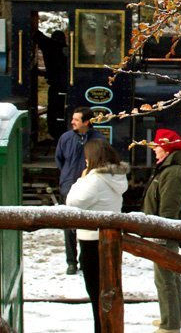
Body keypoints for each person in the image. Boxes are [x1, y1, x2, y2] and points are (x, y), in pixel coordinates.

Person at [66, 139, 129, 333]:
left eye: (86, 158)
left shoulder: (94, 180)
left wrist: (81, 178)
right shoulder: (116, 176)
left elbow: (72, 203)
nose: (85, 162)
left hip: (91, 241)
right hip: (110, 241)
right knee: (107, 292)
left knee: (96, 295)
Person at [142, 128, 181, 333]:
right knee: (170, 275)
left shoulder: (172, 173)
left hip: (163, 234)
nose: (154, 150)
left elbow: (168, 211)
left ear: (167, 148)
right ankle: (173, 318)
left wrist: (159, 237)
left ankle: (169, 325)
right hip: (162, 233)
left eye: (157, 146)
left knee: (164, 279)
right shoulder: (168, 169)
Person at [55, 106, 104, 275]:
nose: (72, 122)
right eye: (73, 119)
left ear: (86, 122)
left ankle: (85, 259)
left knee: (89, 225)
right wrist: (67, 178)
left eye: (76, 119)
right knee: (69, 225)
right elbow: (59, 159)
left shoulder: (98, 139)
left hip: (90, 186)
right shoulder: (66, 138)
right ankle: (71, 262)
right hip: (69, 186)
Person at [34, 29, 68, 140]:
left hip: (56, 85)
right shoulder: (66, 49)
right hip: (65, 85)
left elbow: (39, 37)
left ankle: (54, 134)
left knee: (53, 110)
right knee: (60, 111)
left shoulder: (50, 46)